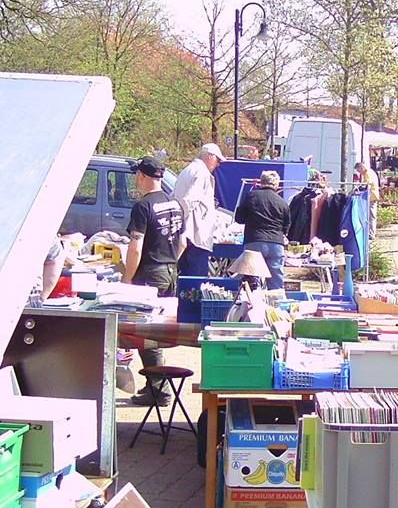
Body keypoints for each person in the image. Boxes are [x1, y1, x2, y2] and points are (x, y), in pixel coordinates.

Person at [123, 156, 184, 407]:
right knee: (157, 332)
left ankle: (158, 390)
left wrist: (126, 280)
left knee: (146, 334)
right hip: (170, 271)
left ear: (141, 176)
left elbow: (135, 247)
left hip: (150, 273)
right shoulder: (175, 203)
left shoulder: (143, 206)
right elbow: (183, 243)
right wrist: (169, 261)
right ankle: (157, 387)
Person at [234, 171, 290, 291]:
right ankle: (276, 306)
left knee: (251, 282)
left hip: (254, 241)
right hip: (276, 243)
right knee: (276, 283)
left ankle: (251, 306)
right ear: (277, 185)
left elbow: (239, 218)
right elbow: (286, 227)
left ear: (261, 182)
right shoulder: (283, 203)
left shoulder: (251, 196)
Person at [174, 143, 224, 277]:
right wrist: (183, 223)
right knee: (195, 283)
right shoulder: (202, 173)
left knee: (184, 281)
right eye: (217, 160)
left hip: (188, 235)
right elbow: (189, 200)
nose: (218, 164)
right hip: (195, 236)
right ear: (210, 157)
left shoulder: (187, 170)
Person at [354, 161, 380, 238]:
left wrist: (358, 189)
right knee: (370, 215)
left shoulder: (367, 173)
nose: (359, 173)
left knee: (371, 216)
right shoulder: (370, 172)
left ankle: (371, 234)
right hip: (372, 195)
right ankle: (371, 232)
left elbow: (367, 185)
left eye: (359, 171)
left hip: (371, 196)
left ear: (362, 167)